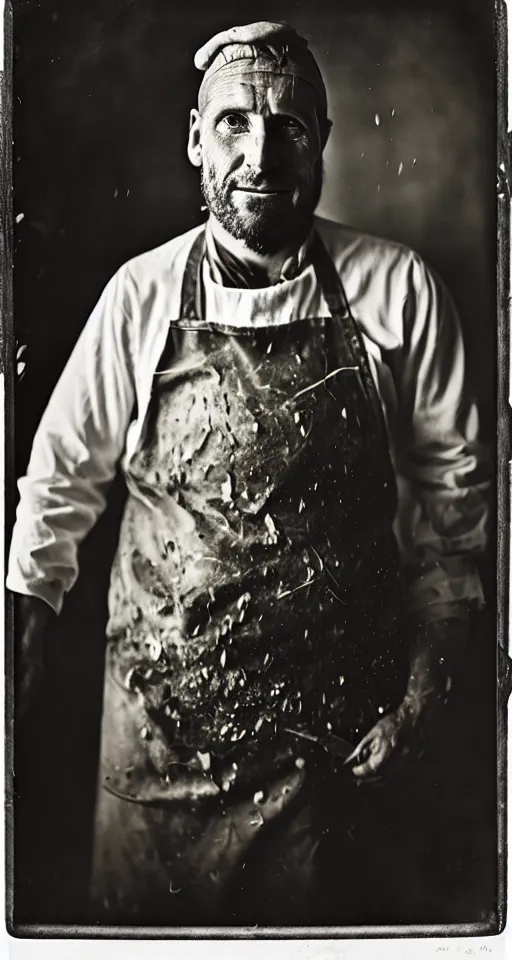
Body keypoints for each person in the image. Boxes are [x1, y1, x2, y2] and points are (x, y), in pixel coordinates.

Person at [8, 20, 490, 926]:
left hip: (331, 759)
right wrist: (21, 629)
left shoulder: (400, 292)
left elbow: (452, 513)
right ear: (195, 139)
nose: (260, 155)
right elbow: (59, 484)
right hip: (158, 751)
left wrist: (429, 683)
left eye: (290, 127)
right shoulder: (139, 296)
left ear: (325, 144)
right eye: (233, 123)